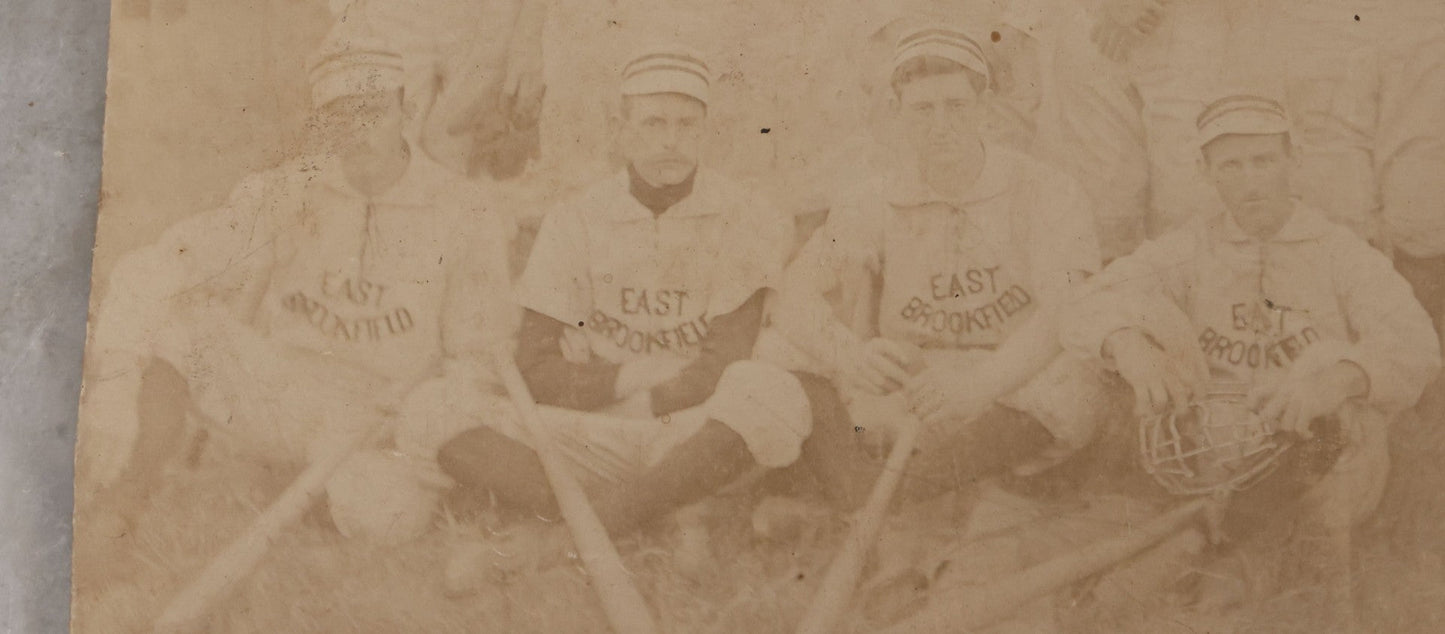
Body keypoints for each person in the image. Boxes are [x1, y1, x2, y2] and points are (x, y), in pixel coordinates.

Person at [418, 44, 851, 592]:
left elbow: (723, 363)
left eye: (685, 124)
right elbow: (533, 366)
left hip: (696, 429)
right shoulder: (575, 218)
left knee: (772, 392)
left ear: (704, 130)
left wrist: (622, 393)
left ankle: (555, 540)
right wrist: (621, 381)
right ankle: (667, 510)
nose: (670, 140)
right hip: (595, 429)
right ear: (621, 128)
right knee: (430, 409)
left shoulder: (747, 215)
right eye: (652, 123)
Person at [76, 23, 517, 546]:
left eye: (373, 110)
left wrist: (416, 425)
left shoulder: (464, 210)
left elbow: (478, 359)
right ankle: (124, 502)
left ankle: (318, 488)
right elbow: (155, 266)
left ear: (408, 107)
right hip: (285, 394)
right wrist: (116, 384)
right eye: (340, 116)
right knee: (182, 323)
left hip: (387, 416)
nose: (359, 131)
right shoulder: (291, 190)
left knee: (388, 518)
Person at [1060, 93, 1442, 628]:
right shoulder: (1192, 247)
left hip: (1323, 459)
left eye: (1264, 161)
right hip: (1211, 458)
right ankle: (1208, 553)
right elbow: (1087, 300)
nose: (1251, 180)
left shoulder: (1340, 251)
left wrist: (1340, 378)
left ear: (1293, 159)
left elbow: (1415, 342)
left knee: (1324, 416)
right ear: (1206, 173)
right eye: (1231, 166)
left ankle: (1210, 553)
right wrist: (1126, 342)